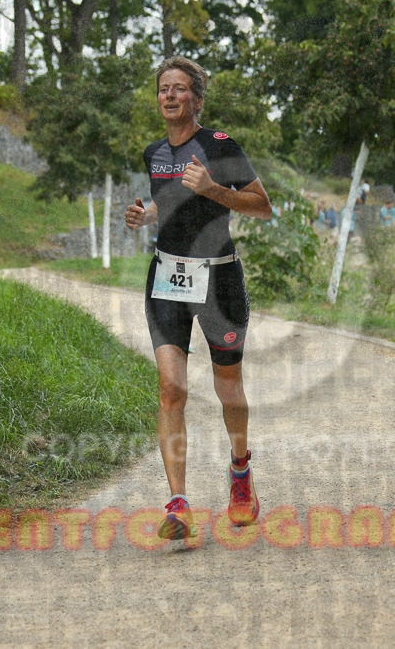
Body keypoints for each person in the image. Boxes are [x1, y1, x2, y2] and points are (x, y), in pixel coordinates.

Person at [124, 57, 271, 540]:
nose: (169, 95)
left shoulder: (220, 146)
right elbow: (171, 206)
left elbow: (261, 205)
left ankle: (240, 472)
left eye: (179, 88)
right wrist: (147, 215)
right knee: (173, 389)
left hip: (219, 281)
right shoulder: (154, 153)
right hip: (167, 279)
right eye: (163, 88)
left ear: (197, 99)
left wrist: (213, 190)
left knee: (228, 389)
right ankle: (179, 504)